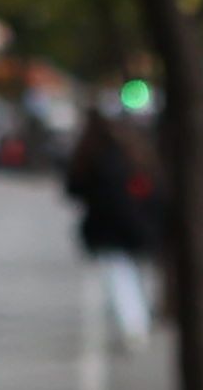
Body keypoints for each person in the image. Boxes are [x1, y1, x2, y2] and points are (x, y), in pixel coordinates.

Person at [62, 100, 160, 356]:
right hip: (126, 227)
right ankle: (137, 325)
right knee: (128, 277)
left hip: (112, 229)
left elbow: (74, 188)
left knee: (122, 278)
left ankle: (135, 327)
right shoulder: (128, 151)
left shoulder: (92, 153)